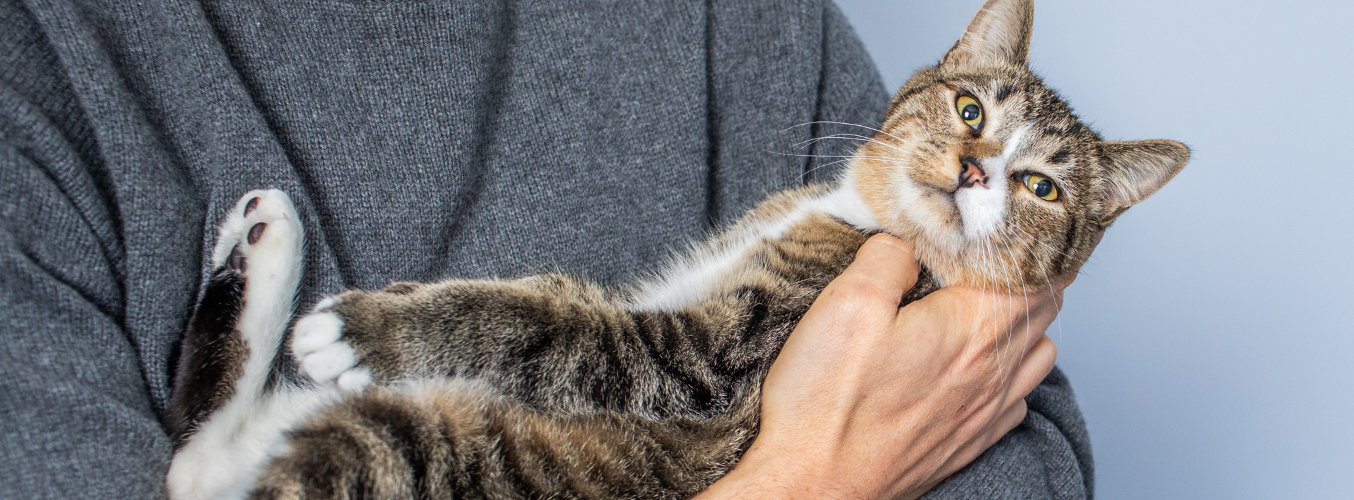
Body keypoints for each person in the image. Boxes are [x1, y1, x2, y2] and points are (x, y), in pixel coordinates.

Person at [0, 0, 1090, 498]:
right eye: (968, 121)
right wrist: (810, 476)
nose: (974, 164)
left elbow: (1021, 461)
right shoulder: (41, 60)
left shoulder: (755, 26)